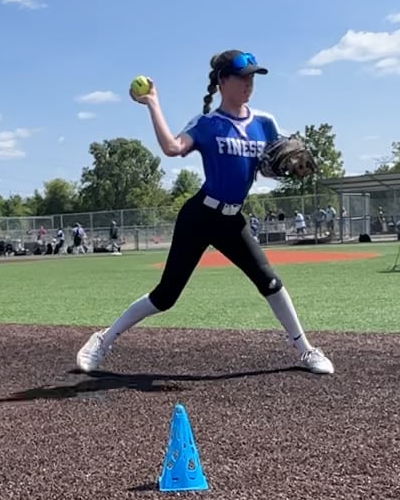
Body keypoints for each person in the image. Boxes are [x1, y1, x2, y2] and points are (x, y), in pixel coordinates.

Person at [76, 50, 332, 375]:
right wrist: (153, 102)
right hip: (200, 217)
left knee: (270, 282)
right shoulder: (207, 124)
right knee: (166, 296)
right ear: (223, 81)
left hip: (232, 221)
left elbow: (270, 165)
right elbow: (172, 148)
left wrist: (284, 166)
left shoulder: (265, 123)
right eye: (242, 77)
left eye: (252, 78)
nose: (249, 84)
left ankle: (306, 350)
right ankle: (103, 339)